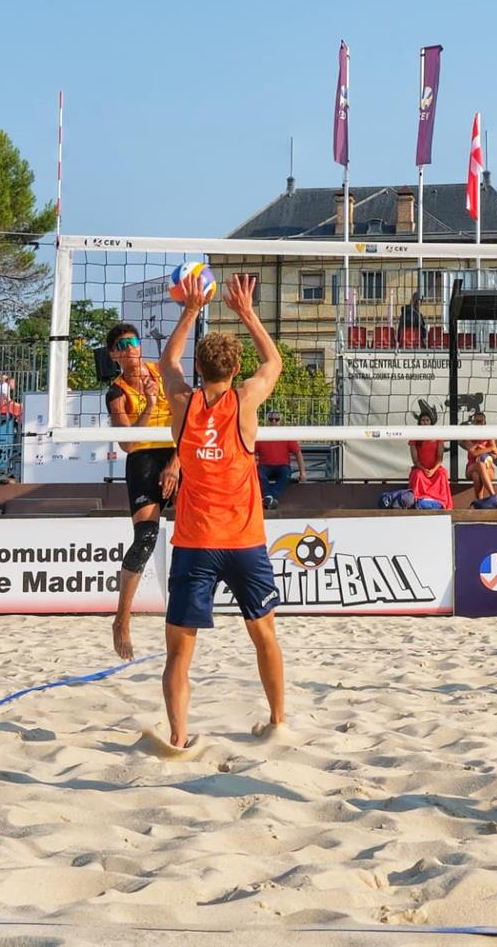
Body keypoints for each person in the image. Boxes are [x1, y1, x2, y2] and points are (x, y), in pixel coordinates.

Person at [153, 270, 286, 746]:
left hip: (195, 544)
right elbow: (273, 362)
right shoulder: (245, 402)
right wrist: (247, 313)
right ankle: (277, 722)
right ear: (235, 369)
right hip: (245, 543)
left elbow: (167, 362)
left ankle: (179, 737)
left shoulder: (182, 404)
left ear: (200, 367)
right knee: (265, 636)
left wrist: (191, 310)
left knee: (179, 654)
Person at [106, 323, 180, 663]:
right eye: (121, 345)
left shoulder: (163, 372)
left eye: (132, 342)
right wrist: (149, 404)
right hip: (143, 458)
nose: (129, 348)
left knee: (202, 522)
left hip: (177, 453)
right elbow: (128, 443)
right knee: (145, 539)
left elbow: (188, 421)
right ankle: (122, 619)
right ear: (113, 355)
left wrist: (176, 463)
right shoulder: (117, 392)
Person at [255, 410, 307, 509]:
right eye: (271, 419)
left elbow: (298, 453)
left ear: (281, 421)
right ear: (267, 421)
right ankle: (271, 498)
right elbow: (251, 452)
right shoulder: (261, 435)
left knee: (286, 474)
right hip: (265, 466)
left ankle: (268, 497)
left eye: (277, 419)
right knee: (258, 474)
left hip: (282, 466)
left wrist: (303, 473)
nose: (274, 422)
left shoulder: (286, 435)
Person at [409, 410, 452, 509]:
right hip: (421, 468)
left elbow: (440, 458)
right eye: (423, 420)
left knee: (442, 474)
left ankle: (440, 502)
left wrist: (433, 470)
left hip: (434, 469)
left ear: (431, 422)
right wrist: (424, 469)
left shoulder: (437, 436)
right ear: (419, 422)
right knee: (417, 475)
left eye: (427, 420)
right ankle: (419, 500)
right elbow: (415, 460)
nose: (425, 422)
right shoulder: (414, 437)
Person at [460, 411, 497, 503]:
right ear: (473, 422)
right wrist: (489, 448)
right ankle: (493, 496)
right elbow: (473, 453)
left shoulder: (489, 435)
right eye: (477, 421)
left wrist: (481, 448)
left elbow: (496, 454)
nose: (479, 424)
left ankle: (479, 503)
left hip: (488, 467)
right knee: (479, 464)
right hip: (471, 466)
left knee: (476, 475)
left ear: (484, 422)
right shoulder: (468, 435)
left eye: (481, 421)